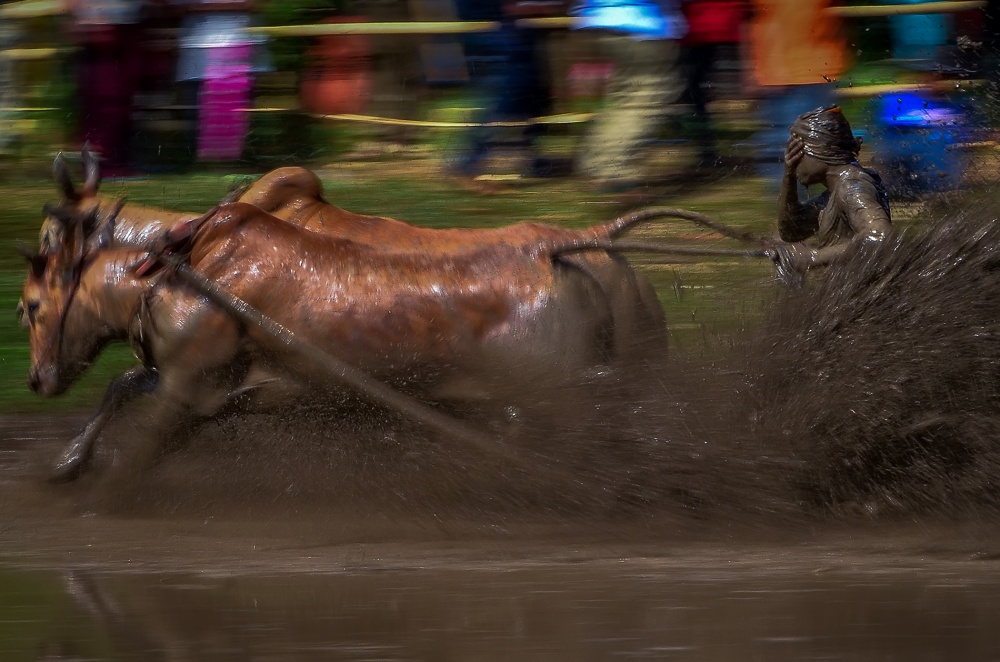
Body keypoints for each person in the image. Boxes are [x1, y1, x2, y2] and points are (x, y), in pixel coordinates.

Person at [570, 0, 688, 192]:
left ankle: (596, 163)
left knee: (623, 100)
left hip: (601, 21)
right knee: (644, 99)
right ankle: (612, 170)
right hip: (641, 25)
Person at [770, 106, 892, 286]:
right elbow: (791, 231)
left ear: (820, 150)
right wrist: (788, 177)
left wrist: (812, 257)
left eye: (798, 153)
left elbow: (882, 237)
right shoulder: (833, 194)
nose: (794, 162)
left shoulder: (851, 187)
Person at [745, 0, 848, 185]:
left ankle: (796, 207)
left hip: (803, 71)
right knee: (819, 150)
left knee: (792, 152)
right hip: (800, 71)